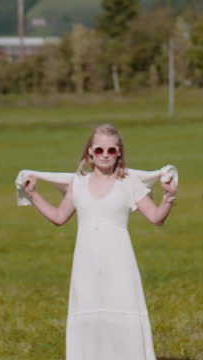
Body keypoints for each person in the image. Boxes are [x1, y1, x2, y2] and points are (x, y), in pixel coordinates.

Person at [22, 123, 178, 360]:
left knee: (122, 317)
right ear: (90, 153)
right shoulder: (78, 184)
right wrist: (33, 194)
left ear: (119, 154)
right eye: (99, 150)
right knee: (89, 319)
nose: (105, 155)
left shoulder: (130, 183)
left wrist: (168, 197)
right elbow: (59, 217)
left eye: (111, 151)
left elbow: (156, 218)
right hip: (87, 265)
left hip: (120, 264)